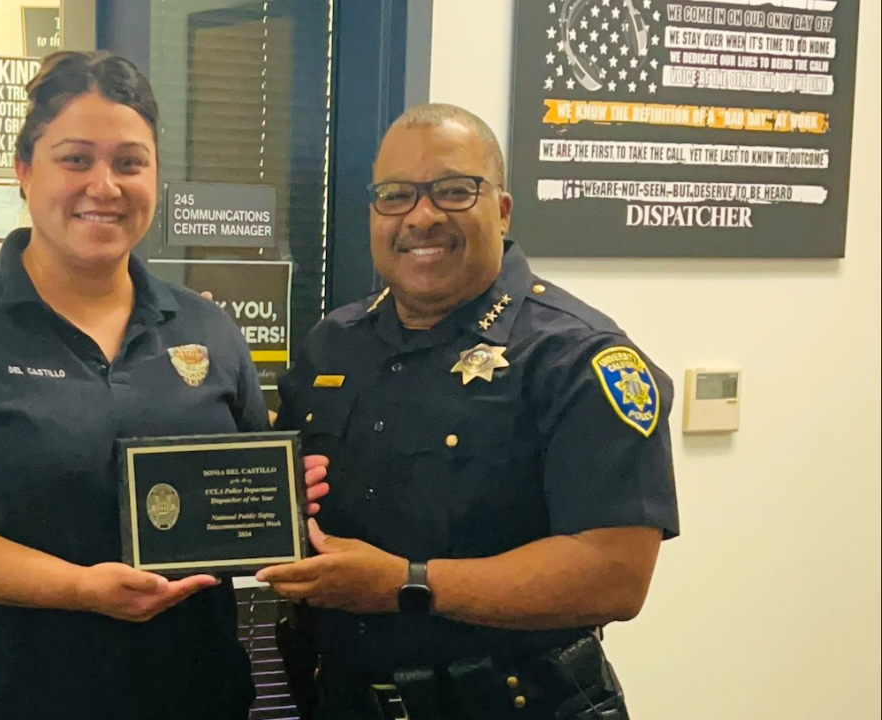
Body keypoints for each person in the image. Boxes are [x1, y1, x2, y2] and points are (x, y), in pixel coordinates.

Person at [0, 51, 329, 720]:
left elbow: (243, 510)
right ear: (23, 170)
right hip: (4, 701)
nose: (105, 185)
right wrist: (76, 588)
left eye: (130, 163)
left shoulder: (208, 328)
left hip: (193, 697)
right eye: (76, 159)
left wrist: (285, 499)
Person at [256, 103, 679, 720]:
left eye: (453, 191)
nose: (421, 217)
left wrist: (406, 584)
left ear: (502, 209)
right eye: (396, 195)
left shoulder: (578, 358)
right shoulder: (333, 343)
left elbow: (614, 574)